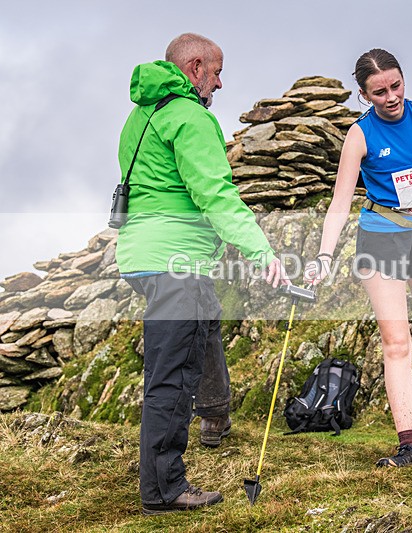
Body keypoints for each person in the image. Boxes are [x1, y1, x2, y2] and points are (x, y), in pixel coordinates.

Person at [115, 33, 287, 514]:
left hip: (141, 256)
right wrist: (262, 253)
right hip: (176, 260)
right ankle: (164, 490)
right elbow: (216, 195)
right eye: (216, 71)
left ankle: (214, 415)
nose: (220, 81)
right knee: (170, 376)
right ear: (194, 67)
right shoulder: (191, 117)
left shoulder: (141, 115)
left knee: (203, 324)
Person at [305, 49, 412, 469]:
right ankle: (408, 445)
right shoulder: (359, 135)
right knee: (397, 343)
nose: (391, 97)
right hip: (381, 239)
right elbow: (341, 201)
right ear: (364, 95)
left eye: (396, 86)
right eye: (379, 92)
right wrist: (324, 256)